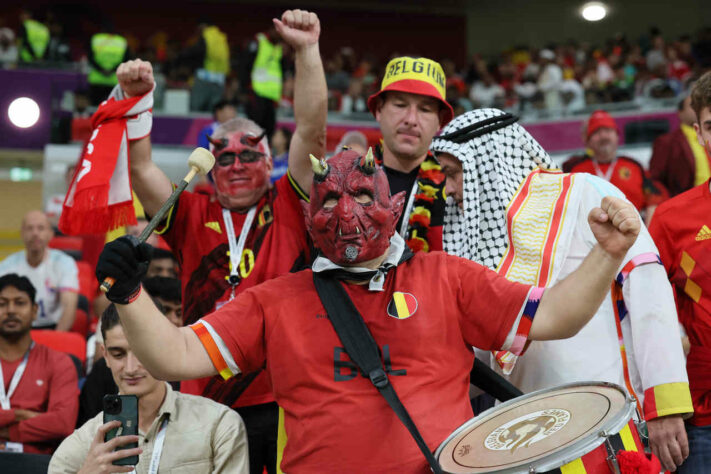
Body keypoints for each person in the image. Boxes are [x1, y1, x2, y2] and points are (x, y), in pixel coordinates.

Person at [96, 147, 642, 472]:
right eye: (329, 200)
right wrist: (128, 295)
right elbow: (177, 355)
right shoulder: (274, 298)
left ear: (395, 206)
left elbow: (556, 318)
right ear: (308, 217)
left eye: (361, 194)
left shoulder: (444, 275)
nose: (346, 210)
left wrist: (608, 253)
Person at [113, 9, 326, 474]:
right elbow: (143, 171)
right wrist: (138, 103)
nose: (235, 162)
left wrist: (307, 50)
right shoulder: (192, 210)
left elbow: (310, 129)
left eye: (250, 152)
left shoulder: (289, 200)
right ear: (208, 165)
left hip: (279, 389)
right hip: (200, 385)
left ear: (270, 159)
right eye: (224, 155)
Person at [430, 108, 693, 472]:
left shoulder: (585, 192)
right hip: (519, 441)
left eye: (453, 173)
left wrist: (665, 405)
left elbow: (648, 290)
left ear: (488, 165)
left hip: (606, 431)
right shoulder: (472, 234)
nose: (450, 188)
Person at [49, 304, 248, 473]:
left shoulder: (218, 424)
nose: (130, 368)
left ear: (163, 348)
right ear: (105, 356)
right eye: (118, 354)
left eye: (141, 352)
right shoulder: (81, 445)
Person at [648, 71, 711, 474]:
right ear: (699, 134)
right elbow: (648, 321)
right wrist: (660, 408)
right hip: (702, 421)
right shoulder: (670, 220)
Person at [367, 55, 453, 254]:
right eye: (400, 105)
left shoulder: (455, 190)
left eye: (424, 109)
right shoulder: (351, 180)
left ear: (439, 121)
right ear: (379, 109)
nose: (411, 119)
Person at [0, 274, 78, 454]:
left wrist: (9, 431)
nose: (11, 310)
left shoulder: (58, 362)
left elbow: (63, 423)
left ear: (34, 310)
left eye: (19, 303)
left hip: (37, 463)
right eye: (2, 303)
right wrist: (18, 414)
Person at [563, 110, 666, 220]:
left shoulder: (634, 166)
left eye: (608, 130)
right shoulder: (575, 170)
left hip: (632, 229)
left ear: (617, 136)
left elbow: (655, 200)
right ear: (587, 141)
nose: (603, 136)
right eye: (596, 132)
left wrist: (648, 232)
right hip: (589, 231)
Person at [0, 211, 78, 331]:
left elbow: (69, 307)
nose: (35, 233)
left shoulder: (64, 263)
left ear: (51, 234)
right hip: (15, 330)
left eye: (41, 228)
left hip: (53, 328)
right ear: (22, 234)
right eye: (29, 228)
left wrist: (55, 342)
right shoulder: (8, 265)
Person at [650, 94, 711, 197]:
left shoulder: (708, 136)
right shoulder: (667, 142)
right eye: (693, 105)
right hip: (687, 202)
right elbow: (656, 179)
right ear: (680, 113)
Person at [87, 22, 129, 106]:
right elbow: (126, 59)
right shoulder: (121, 41)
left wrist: (101, 69)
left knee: (95, 109)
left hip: (96, 80)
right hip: (115, 80)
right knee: (113, 109)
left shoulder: (95, 39)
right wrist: (112, 70)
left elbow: (90, 57)